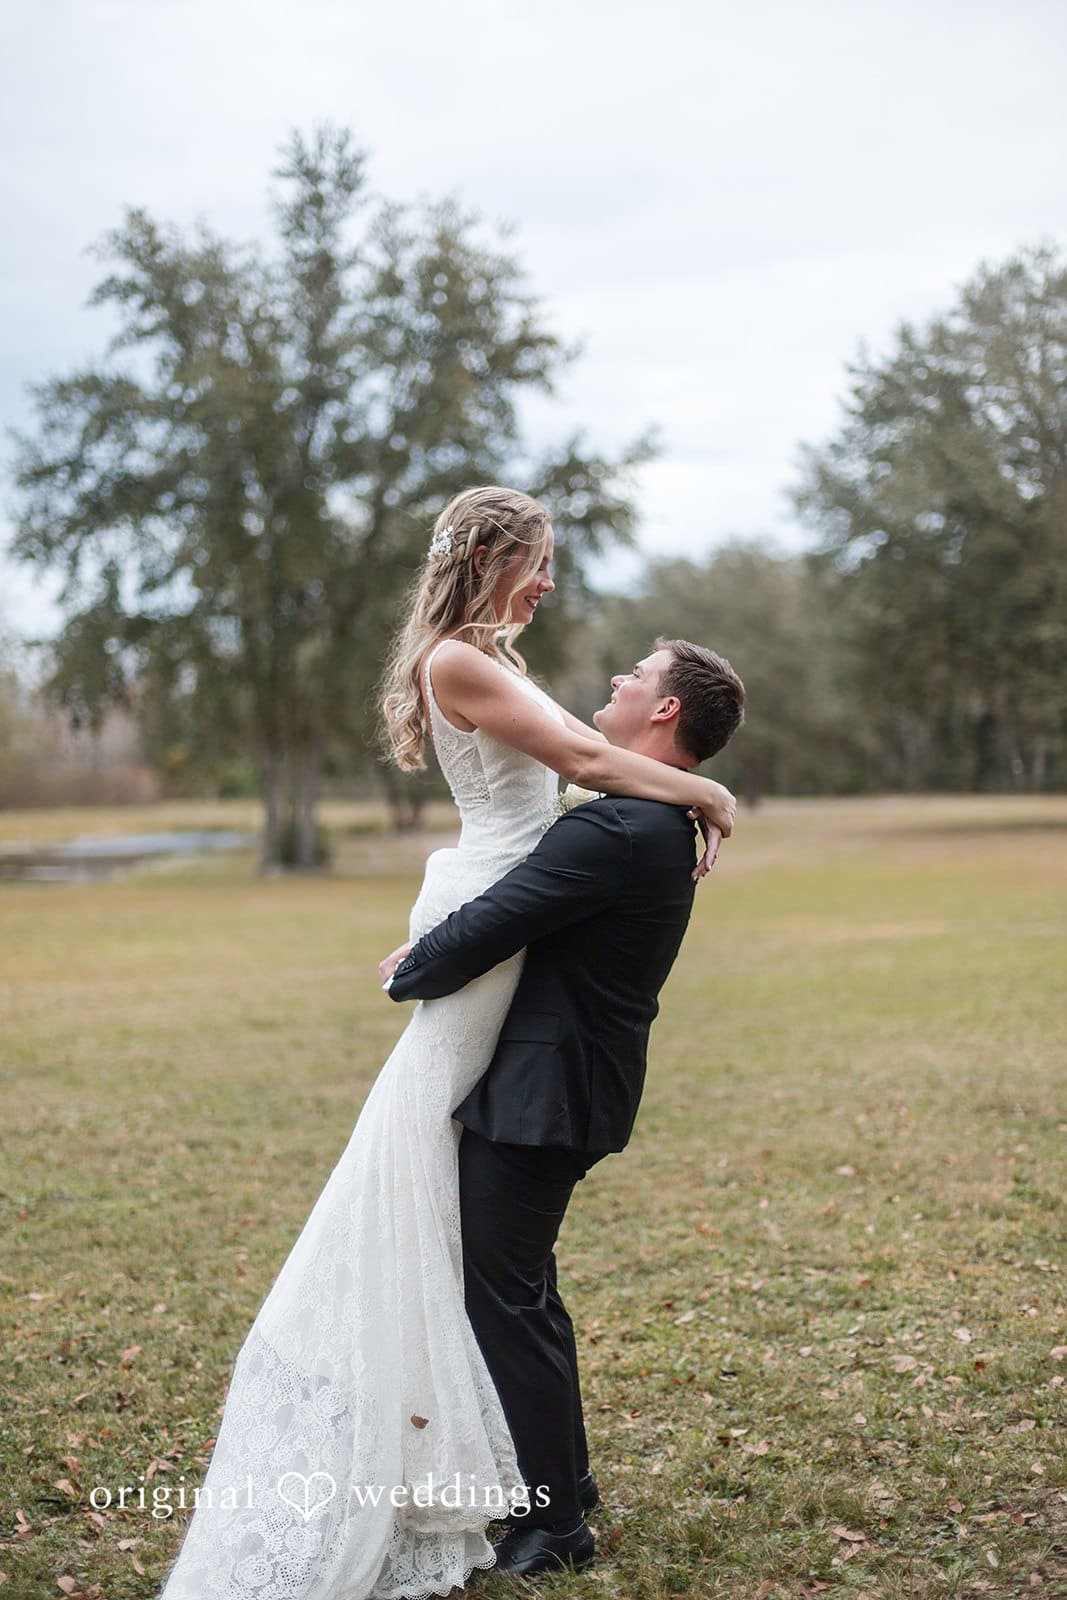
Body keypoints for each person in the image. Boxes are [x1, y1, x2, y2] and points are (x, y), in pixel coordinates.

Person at [157, 486, 736, 1600]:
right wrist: (709, 790)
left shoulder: (492, 667)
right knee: (457, 1204)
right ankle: (528, 1480)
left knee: (479, 1235)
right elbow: (587, 761)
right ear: (491, 558)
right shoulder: (461, 662)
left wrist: (433, 949)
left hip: (497, 922)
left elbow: (585, 763)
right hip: (490, 911)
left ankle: (541, 1491)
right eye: (539, 560)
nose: (549, 581)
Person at [381, 637, 746, 1578]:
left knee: (505, 1295)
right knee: (524, 1288)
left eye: (639, 675)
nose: (620, 679)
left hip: (543, 1096)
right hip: (567, 1084)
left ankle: (554, 1528)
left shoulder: (618, 829)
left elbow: (496, 920)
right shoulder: (646, 820)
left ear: (664, 710)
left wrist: (409, 970)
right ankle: (564, 1482)